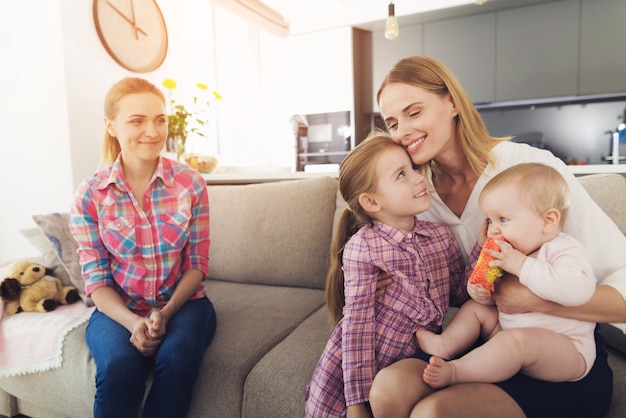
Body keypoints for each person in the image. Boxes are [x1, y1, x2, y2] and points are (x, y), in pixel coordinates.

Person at [368, 55, 626, 418]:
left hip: (555, 350)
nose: (401, 132)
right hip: (477, 339)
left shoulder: (531, 171)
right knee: (387, 390)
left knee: (435, 412)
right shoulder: (414, 194)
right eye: (392, 122)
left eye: (414, 112)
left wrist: (531, 300)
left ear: (452, 102)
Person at [69, 77, 217, 418]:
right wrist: (132, 323)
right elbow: (96, 280)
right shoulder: (91, 194)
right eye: (137, 120)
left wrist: (164, 314)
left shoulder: (191, 183)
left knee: (177, 361)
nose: (153, 131)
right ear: (111, 126)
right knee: (119, 368)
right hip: (118, 306)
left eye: (159, 119)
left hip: (184, 304)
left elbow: (197, 262)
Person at [304, 132, 470, 417]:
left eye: (414, 168)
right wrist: (356, 403)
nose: (419, 178)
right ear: (371, 202)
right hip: (372, 361)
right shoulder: (364, 247)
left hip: (418, 359)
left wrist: (486, 248)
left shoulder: (440, 236)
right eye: (401, 174)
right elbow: (357, 327)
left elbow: (460, 294)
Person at [417, 163, 597, 389]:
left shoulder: (564, 249)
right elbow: (498, 300)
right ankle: (446, 344)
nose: (493, 230)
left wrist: (521, 265)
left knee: (515, 342)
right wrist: (481, 292)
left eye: (502, 220)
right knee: (476, 308)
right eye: (490, 220)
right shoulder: (511, 253)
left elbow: (579, 291)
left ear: (548, 221)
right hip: (508, 330)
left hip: (565, 348)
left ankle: (456, 371)